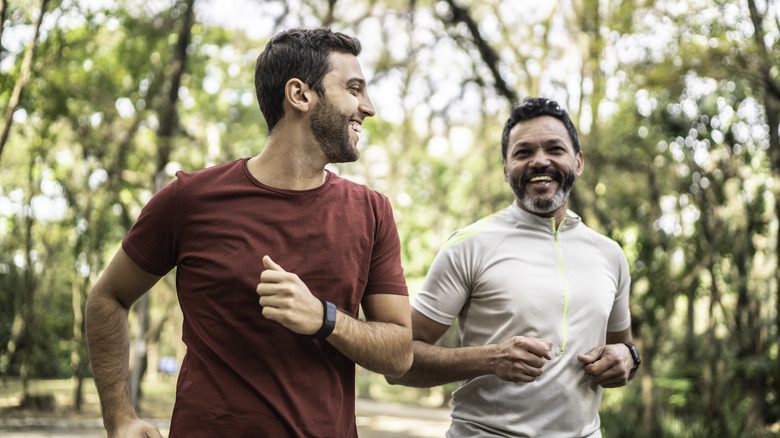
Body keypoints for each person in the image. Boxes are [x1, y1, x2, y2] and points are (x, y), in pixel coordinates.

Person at [85, 27, 413, 438]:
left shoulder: (372, 212)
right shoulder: (190, 199)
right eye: (353, 88)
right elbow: (108, 297)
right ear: (300, 95)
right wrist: (119, 418)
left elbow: (399, 353)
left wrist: (324, 318)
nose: (368, 107)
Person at [388, 97, 640, 437]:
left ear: (577, 162)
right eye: (523, 153)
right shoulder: (469, 245)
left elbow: (623, 346)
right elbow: (398, 363)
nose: (540, 161)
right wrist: (489, 359)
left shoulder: (609, 254)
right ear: (506, 168)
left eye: (555, 149)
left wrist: (628, 358)